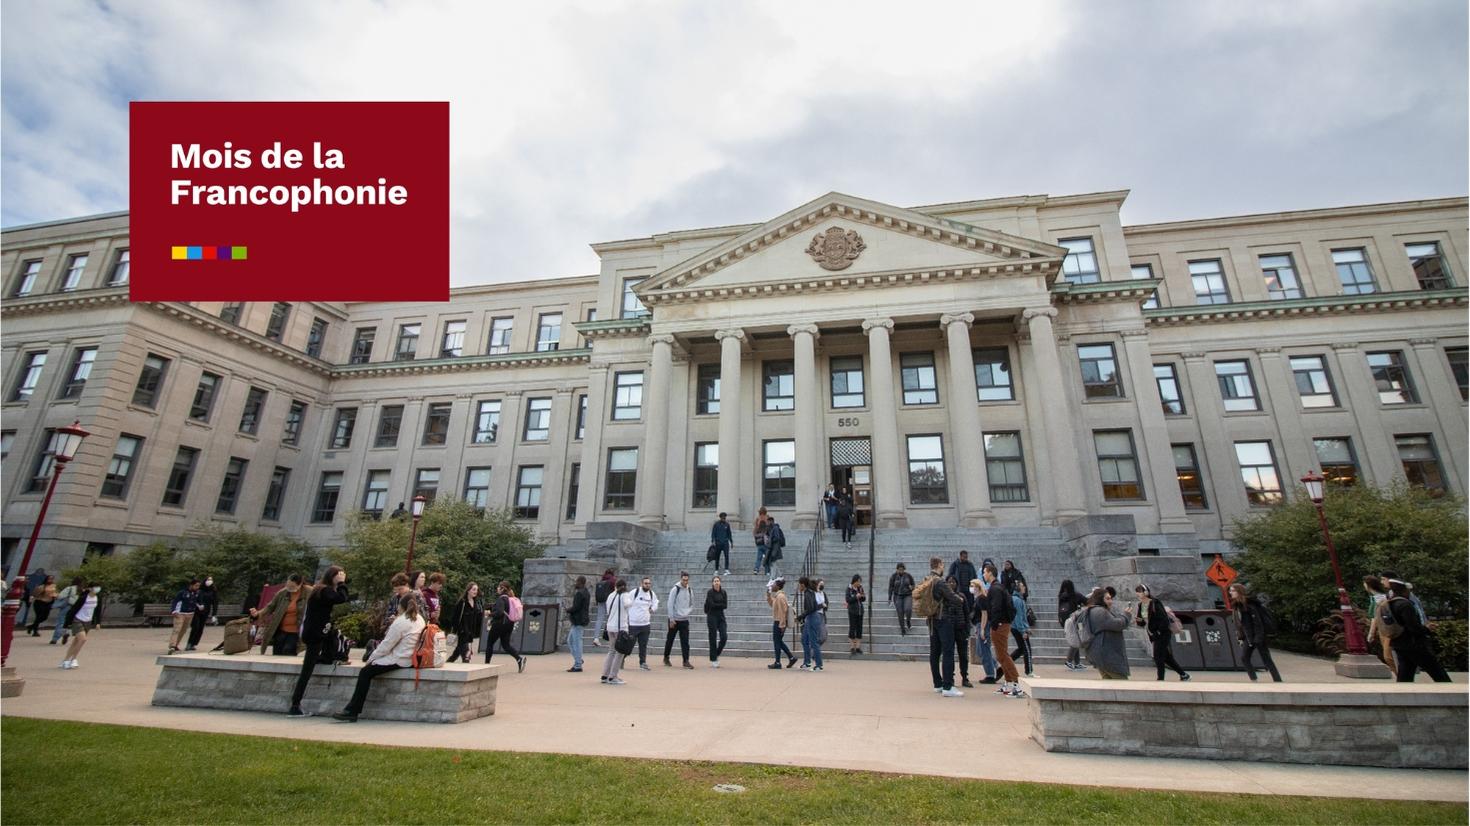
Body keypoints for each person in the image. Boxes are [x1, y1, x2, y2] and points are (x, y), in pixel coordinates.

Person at [331, 592, 426, 722]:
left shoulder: (401, 621)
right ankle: (351, 710)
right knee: (370, 669)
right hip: (411, 657)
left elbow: (386, 645)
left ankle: (352, 710)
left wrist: (371, 659)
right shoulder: (419, 619)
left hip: (400, 658)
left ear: (400, 606)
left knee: (365, 672)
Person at [289, 566, 350, 717]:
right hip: (316, 633)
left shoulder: (319, 589)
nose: (341, 578)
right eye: (338, 575)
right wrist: (342, 583)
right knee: (307, 669)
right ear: (332, 577)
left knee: (328, 644)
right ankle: (295, 705)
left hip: (316, 631)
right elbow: (341, 598)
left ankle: (327, 657)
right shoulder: (325, 590)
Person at [1384, 579, 1452, 683]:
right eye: (1408, 590)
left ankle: (1402, 695)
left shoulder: (1389, 604)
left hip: (1398, 643)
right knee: (1437, 672)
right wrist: (1427, 629)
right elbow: (1413, 627)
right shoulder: (1405, 605)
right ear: (1404, 591)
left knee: (1405, 674)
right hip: (1414, 644)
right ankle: (1451, 693)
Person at [922, 558, 964, 697]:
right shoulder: (939, 581)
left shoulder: (927, 579)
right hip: (944, 619)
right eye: (942, 565)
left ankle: (938, 683)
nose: (943, 567)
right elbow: (953, 597)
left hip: (932, 620)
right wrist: (961, 600)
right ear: (939, 565)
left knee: (935, 652)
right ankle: (947, 685)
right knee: (948, 651)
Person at [1134, 584, 1189, 682]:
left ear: (1146, 592)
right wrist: (1138, 620)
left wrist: (1159, 631)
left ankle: (1160, 679)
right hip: (1152, 633)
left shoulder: (1155, 603)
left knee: (1158, 656)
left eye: (1140, 591)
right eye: (1137, 592)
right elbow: (1142, 622)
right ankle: (1183, 674)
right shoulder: (1140, 605)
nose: (1138, 594)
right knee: (1166, 657)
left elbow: (1163, 619)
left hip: (1162, 633)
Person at [1227, 583, 1281, 682]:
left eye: (1232, 590)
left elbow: (1257, 623)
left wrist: (1258, 638)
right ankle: (1254, 679)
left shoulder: (1249, 605)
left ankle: (1277, 680)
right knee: (1245, 658)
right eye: (1230, 590)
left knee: (1266, 659)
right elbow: (1241, 624)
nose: (1230, 593)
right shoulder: (1237, 605)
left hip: (1257, 636)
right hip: (1248, 637)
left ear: (1239, 592)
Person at [982, 564, 1023, 696]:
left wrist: (994, 624)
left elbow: (996, 608)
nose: (983, 574)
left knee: (1003, 655)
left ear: (990, 573)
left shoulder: (995, 589)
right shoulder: (998, 587)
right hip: (1002, 623)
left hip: (1000, 624)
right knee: (1001, 655)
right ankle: (1008, 682)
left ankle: (1017, 683)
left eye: (985, 572)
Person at [1083, 587, 1133, 680]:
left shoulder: (1093, 610)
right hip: (1107, 654)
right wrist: (1126, 615)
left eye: (1111, 598)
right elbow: (1118, 624)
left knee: (1108, 682)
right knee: (1121, 682)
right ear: (1100, 599)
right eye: (1107, 598)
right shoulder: (1100, 611)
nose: (1111, 601)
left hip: (1101, 653)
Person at [251, 574, 307, 655]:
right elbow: (270, 607)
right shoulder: (282, 593)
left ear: (300, 584)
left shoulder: (308, 592)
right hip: (281, 630)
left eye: (292, 587)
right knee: (277, 652)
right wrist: (258, 613)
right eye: (288, 586)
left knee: (288, 651)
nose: (289, 589)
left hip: (295, 632)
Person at [485, 581, 527, 673]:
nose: (497, 588)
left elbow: (499, 613)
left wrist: (489, 614)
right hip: (509, 625)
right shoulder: (510, 599)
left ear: (502, 588)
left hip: (499, 625)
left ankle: (486, 666)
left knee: (489, 644)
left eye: (498, 587)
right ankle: (519, 659)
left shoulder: (501, 599)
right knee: (506, 645)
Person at [58, 582, 101, 670]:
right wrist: (66, 625)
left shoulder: (98, 598)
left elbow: (97, 611)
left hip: (88, 622)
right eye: (95, 587)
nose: (97, 589)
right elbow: (73, 610)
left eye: (98, 587)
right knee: (83, 639)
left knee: (76, 642)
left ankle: (65, 660)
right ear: (90, 588)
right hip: (77, 620)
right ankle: (73, 659)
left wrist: (97, 622)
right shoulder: (83, 598)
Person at [601, 578, 631, 685]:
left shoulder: (611, 595)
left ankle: (605, 675)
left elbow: (608, 609)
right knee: (620, 652)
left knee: (611, 651)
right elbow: (628, 604)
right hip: (620, 627)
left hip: (610, 626)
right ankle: (613, 676)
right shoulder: (624, 595)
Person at [446, 582, 485, 664]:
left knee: (457, 652)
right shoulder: (462, 602)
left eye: (477, 590)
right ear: (468, 590)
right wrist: (459, 629)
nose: (475, 592)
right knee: (466, 655)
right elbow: (455, 617)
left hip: (470, 632)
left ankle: (448, 663)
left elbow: (476, 618)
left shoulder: (475, 603)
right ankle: (465, 667)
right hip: (462, 632)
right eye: (473, 589)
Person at [663, 571, 695, 669]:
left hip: (684, 620)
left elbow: (692, 603)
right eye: (683, 580)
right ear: (680, 579)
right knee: (670, 640)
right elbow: (670, 604)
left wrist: (687, 612)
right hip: (674, 620)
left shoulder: (690, 590)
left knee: (685, 641)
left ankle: (686, 661)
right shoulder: (675, 589)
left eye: (686, 580)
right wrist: (671, 619)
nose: (685, 582)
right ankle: (666, 657)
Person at [1364, 575, 1396, 671]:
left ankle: (1401, 678)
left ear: (1368, 585)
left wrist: (1371, 633)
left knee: (1388, 657)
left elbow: (1375, 617)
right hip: (1383, 629)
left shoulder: (1379, 598)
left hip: (1386, 629)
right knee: (1388, 657)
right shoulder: (1374, 597)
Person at [628, 576, 659, 670]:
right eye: (646, 583)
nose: (648, 585)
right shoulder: (634, 592)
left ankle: (643, 662)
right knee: (629, 644)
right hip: (633, 624)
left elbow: (656, 602)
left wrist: (652, 609)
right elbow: (626, 603)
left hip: (645, 624)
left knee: (643, 645)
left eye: (649, 583)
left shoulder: (651, 594)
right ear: (641, 584)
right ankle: (622, 658)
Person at [796, 577, 825, 671]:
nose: (798, 587)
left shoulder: (808, 593)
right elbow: (815, 606)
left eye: (799, 585)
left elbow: (811, 608)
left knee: (813, 642)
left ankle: (819, 665)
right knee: (804, 640)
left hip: (812, 617)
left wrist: (800, 616)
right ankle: (807, 662)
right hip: (811, 617)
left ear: (802, 585)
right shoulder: (810, 592)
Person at [1057, 579, 1087, 670]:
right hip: (1075, 621)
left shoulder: (1061, 596)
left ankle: (1077, 663)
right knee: (1076, 640)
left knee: (1075, 640)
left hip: (1065, 621)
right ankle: (1069, 661)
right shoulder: (1076, 595)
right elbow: (1087, 601)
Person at [766, 578, 796, 669]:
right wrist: (768, 594)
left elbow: (783, 611)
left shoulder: (780, 597)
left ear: (778, 586)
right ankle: (791, 658)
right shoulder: (777, 596)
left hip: (779, 622)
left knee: (777, 642)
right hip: (778, 621)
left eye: (773, 584)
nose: (772, 586)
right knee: (778, 642)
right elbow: (772, 604)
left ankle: (778, 662)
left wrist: (782, 625)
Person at [169, 579, 203, 654]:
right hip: (180, 613)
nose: (197, 587)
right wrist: (173, 610)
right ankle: (172, 645)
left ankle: (176, 644)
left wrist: (200, 605)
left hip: (190, 614)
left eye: (198, 586)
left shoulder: (197, 593)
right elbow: (175, 601)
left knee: (183, 630)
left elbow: (198, 601)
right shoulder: (182, 592)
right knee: (177, 629)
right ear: (191, 585)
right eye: (196, 585)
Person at [1009, 580, 1035, 678]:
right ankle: (1029, 671)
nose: (1024, 588)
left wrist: (1027, 628)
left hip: (1017, 627)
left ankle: (1006, 666)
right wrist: (1023, 630)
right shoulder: (1017, 600)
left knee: (1020, 649)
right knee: (1027, 650)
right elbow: (1018, 617)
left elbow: (1023, 617)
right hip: (1017, 628)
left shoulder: (1019, 599)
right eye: (1022, 586)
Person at [564, 576, 590, 672]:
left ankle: (578, 665)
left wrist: (568, 610)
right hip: (578, 620)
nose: (576, 583)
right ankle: (578, 659)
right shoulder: (586, 592)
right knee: (571, 641)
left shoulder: (580, 593)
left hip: (578, 620)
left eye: (577, 582)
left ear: (580, 582)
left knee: (576, 642)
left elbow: (576, 607)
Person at [187, 575, 218, 651]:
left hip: (206, 612)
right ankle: (189, 643)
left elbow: (215, 603)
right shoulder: (200, 590)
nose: (209, 581)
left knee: (200, 628)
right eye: (208, 579)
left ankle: (194, 644)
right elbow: (194, 599)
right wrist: (198, 605)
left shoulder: (213, 591)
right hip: (197, 611)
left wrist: (214, 614)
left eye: (211, 579)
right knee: (195, 627)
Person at [705, 575, 728, 668]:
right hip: (711, 616)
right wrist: (720, 604)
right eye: (715, 581)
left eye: (718, 581)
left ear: (720, 582)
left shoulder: (723, 592)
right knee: (712, 637)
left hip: (721, 617)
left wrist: (718, 604)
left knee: (724, 637)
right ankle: (714, 659)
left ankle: (716, 653)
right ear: (712, 583)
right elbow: (711, 604)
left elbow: (725, 605)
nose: (716, 582)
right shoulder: (710, 592)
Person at [51, 576, 83, 645]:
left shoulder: (70, 588)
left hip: (68, 606)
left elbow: (60, 596)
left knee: (61, 621)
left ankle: (55, 638)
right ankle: (67, 633)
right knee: (71, 623)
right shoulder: (82, 590)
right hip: (77, 608)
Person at [888, 563, 914, 635]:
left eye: (902, 569)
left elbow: (913, 584)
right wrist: (889, 597)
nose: (901, 571)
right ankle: (903, 629)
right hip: (897, 596)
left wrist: (912, 587)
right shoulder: (893, 577)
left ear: (904, 569)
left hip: (907, 595)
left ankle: (908, 620)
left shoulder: (908, 576)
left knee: (908, 609)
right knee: (900, 613)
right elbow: (890, 587)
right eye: (899, 569)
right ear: (897, 569)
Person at [592, 569, 615, 647]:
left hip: (601, 601)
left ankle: (596, 638)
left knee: (599, 619)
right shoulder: (613, 579)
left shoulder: (602, 579)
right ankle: (609, 638)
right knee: (610, 619)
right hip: (609, 600)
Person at [845, 575, 866, 656]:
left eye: (860, 582)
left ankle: (858, 647)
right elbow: (848, 600)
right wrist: (855, 597)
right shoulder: (849, 589)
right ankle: (852, 647)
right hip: (852, 611)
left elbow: (863, 599)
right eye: (858, 582)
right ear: (854, 581)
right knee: (852, 628)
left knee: (859, 628)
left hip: (860, 611)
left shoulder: (860, 588)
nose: (859, 583)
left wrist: (862, 596)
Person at [752, 507, 772, 574]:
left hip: (759, 542)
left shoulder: (758, 518)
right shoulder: (767, 517)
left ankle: (756, 569)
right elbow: (770, 528)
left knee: (759, 558)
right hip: (766, 542)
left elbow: (754, 531)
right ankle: (767, 571)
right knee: (766, 558)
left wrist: (756, 538)